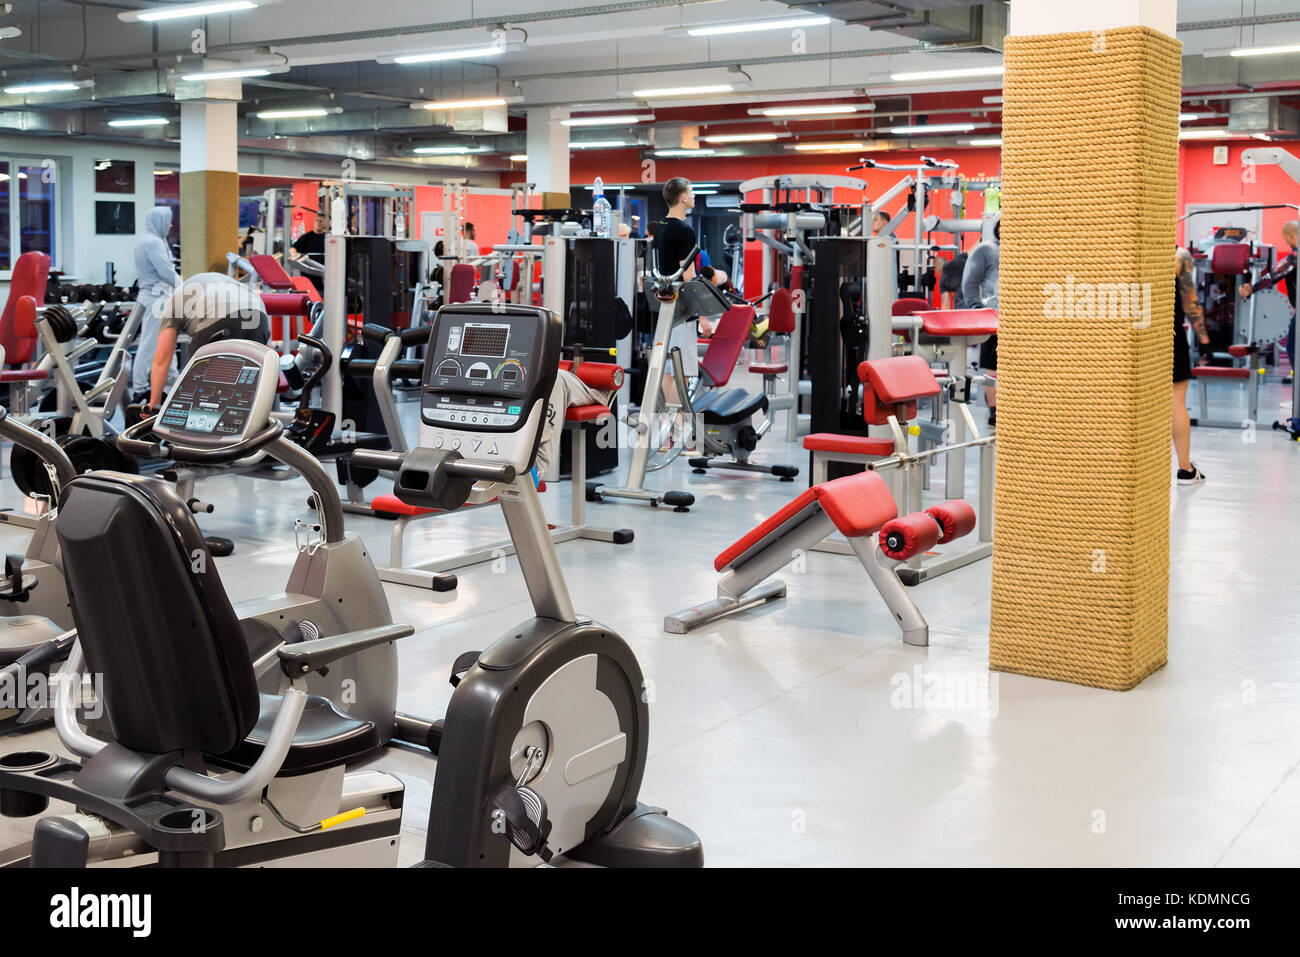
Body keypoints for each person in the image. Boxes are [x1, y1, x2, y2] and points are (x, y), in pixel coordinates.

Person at [140, 272, 271, 414]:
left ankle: (198, 429)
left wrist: (154, 403)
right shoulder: (207, 281)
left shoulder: (170, 304)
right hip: (259, 314)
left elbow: (162, 359)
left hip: (219, 315)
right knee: (248, 388)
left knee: (195, 389)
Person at [653, 177, 711, 375]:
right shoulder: (685, 231)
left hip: (666, 307)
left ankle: (667, 408)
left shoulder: (660, 227)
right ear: (684, 197)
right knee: (683, 373)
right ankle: (678, 408)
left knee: (669, 371)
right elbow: (689, 277)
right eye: (692, 192)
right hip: (684, 310)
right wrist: (702, 317)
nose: (694, 196)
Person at [131, 206, 182, 397]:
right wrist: (188, 289)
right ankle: (139, 388)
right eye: (167, 221)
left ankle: (171, 385)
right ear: (159, 221)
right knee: (151, 345)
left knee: (165, 345)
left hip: (155, 298)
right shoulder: (153, 243)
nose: (170, 225)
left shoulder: (146, 240)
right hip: (156, 300)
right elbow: (166, 273)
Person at [1238, 220, 1298, 371]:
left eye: (1286, 239)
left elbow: (1273, 276)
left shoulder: (1294, 257)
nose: (1287, 242)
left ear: (1292, 236)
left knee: (1292, 347)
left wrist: (1251, 288)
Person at [1174, 247, 1211, 485]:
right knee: (1175, 400)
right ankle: (1185, 469)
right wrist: (1205, 340)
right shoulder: (1179, 257)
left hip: (1130, 336)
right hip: (1168, 335)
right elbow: (1190, 303)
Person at [960, 217, 1000, 427]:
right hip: (994, 319)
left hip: (1021, 319)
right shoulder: (986, 250)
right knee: (993, 367)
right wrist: (977, 308)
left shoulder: (1024, 249)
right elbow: (970, 281)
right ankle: (995, 414)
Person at [289, 210, 329, 292]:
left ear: (324, 224)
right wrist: (296, 258)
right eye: (317, 221)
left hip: (323, 271)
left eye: (321, 221)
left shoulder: (328, 238)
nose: (318, 223)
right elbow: (293, 249)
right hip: (309, 272)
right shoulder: (306, 237)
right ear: (314, 222)